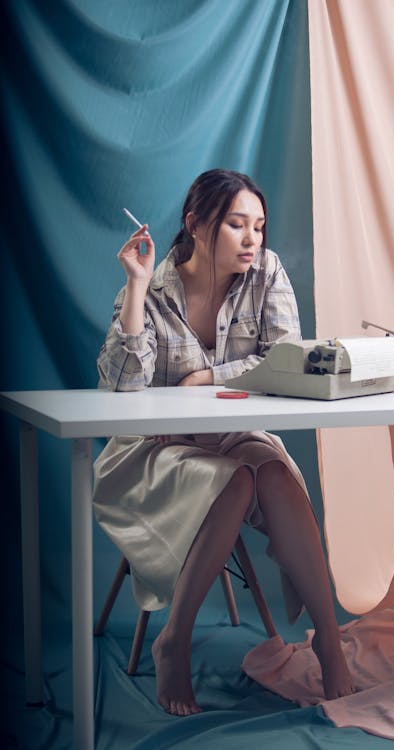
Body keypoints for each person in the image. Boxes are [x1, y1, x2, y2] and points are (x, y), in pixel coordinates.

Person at [93, 169, 355, 716]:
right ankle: (176, 639)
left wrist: (209, 377)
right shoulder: (152, 287)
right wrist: (137, 289)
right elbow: (120, 390)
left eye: (258, 225)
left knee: (275, 473)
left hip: (231, 435)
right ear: (196, 224)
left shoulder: (267, 271)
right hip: (153, 448)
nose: (252, 238)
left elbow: (289, 357)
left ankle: (329, 641)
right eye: (237, 224)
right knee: (235, 480)